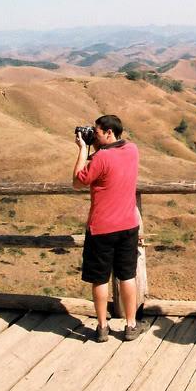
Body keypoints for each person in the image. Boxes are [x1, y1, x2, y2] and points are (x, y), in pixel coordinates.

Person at [73, 114, 144, 342]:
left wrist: (83, 149)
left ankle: (102, 327)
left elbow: (77, 181)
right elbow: (113, 156)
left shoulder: (100, 159)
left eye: (97, 131)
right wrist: (96, 146)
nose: (94, 134)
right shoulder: (132, 150)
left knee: (100, 279)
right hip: (128, 225)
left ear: (108, 132)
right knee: (127, 276)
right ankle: (131, 325)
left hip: (101, 228)